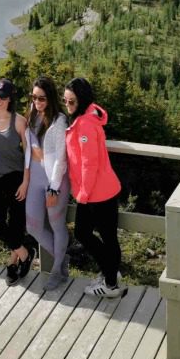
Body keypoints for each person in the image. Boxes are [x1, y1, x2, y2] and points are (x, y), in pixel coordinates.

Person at [64, 77, 126, 298]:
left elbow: (89, 163)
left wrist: (83, 193)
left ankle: (110, 285)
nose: (68, 105)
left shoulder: (86, 125)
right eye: (66, 101)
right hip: (99, 190)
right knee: (98, 235)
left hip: (96, 193)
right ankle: (110, 274)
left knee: (92, 234)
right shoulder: (87, 117)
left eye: (72, 102)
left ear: (82, 100)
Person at [0, 78, 37, 285]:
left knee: (15, 225)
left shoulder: (19, 122)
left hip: (16, 179)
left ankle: (13, 264)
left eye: (3, 97)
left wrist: (25, 182)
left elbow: (29, 154)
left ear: (10, 99)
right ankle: (25, 252)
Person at [24, 76, 70, 291]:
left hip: (54, 181)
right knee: (32, 226)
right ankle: (63, 259)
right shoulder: (32, 116)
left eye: (41, 98)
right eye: (33, 97)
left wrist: (54, 187)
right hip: (34, 178)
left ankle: (58, 270)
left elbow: (61, 157)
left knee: (56, 225)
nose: (37, 102)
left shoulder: (59, 121)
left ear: (50, 98)